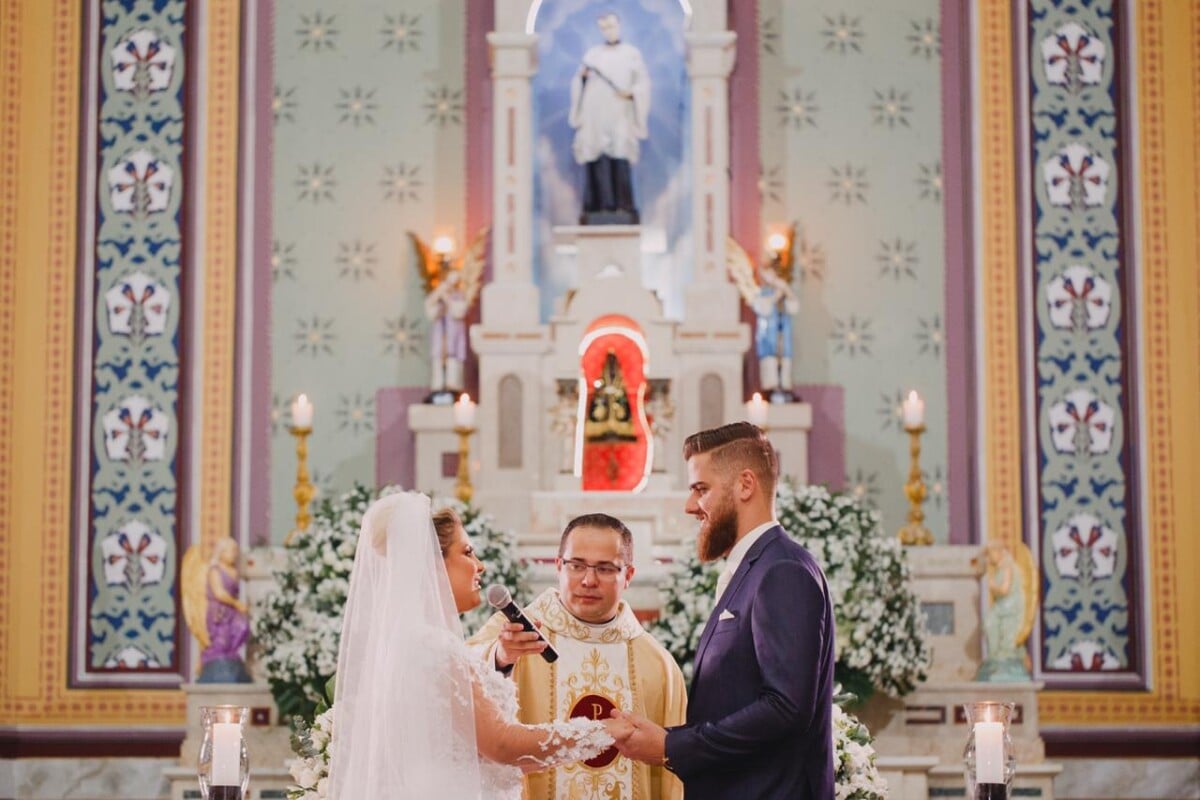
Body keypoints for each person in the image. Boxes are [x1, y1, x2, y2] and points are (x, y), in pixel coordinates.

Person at [331, 493, 628, 799]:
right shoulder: (432, 646)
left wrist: (504, 658)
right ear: (431, 563)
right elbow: (500, 744)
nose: (480, 565)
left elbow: (465, 744)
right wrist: (605, 732)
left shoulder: (408, 641)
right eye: (468, 552)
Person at [611, 422, 836, 799]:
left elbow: (786, 708)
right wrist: (666, 739)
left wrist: (671, 748)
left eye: (701, 489)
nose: (689, 506)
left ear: (746, 484)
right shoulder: (754, 567)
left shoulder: (782, 570)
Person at [470, 513, 686, 800]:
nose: (588, 580)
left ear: (628, 575)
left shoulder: (658, 665)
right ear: (558, 566)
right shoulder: (515, 633)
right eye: (577, 565)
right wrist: (500, 659)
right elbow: (462, 681)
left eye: (606, 569)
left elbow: (673, 776)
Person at [569, 12, 650, 224]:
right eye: (604, 27)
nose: (609, 30)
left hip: (619, 113)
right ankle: (598, 205)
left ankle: (623, 205)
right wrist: (583, 80)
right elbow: (580, 81)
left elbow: (642, 83)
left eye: (612, 26)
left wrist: (632, 93)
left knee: (620, 157)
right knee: (597, 159)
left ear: (619, 26)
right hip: (595, 115)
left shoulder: (631, 54)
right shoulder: (593, 55)